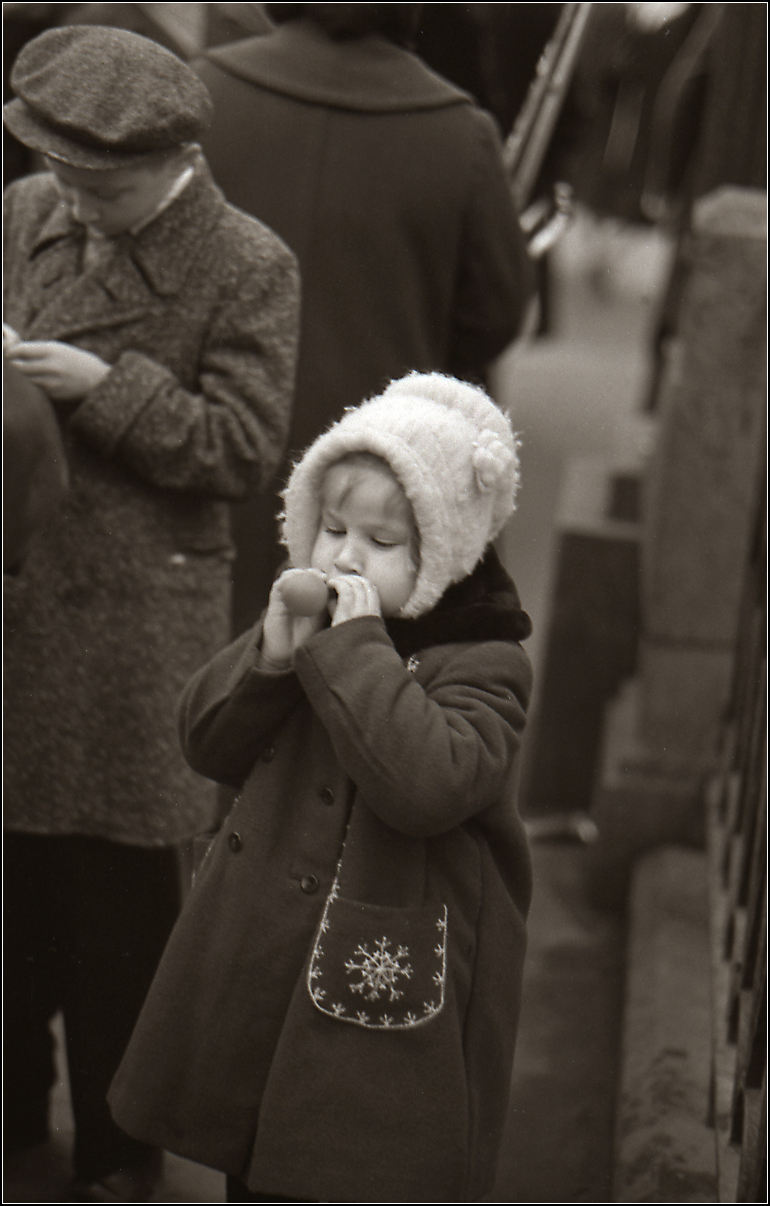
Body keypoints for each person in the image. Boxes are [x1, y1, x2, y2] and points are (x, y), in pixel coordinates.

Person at [109, 371, 534, 1204]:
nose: (343, 556)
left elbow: (428, 783)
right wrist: (269, 659)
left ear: (442, 551)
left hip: (376, 980)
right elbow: (205, 740)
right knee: (253, 1151)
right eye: (331, 527)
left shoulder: (486, 662)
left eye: (379, 541)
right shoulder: (317, 629)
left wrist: (352, 649)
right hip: (266, 962)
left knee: (344, 1165)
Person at [2, 24, 299, 1201]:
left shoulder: (245, 260)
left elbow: (241, 445)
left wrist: (104, 388)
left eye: (102, 183)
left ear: (173, 158)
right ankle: (15, 1121)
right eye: (62, 173)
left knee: (121, 912)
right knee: (12, 901)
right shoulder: (24, 213)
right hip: (21, 593)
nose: (74, 198)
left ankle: (122, 1152)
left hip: (133, 630)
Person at [192, 2, 536, 632]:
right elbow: (496, 315)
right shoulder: (460, 132)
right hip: (384, 488)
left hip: (216, 457)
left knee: (214, 685)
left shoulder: (204, 92)